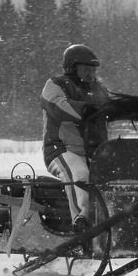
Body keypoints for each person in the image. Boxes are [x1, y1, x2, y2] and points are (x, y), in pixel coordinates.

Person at [41, 43, 111, 232]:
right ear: (72, 68)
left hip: (95, 154)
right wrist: (87, 109)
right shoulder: (55, 85)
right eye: (86, 69)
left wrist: (135, 112)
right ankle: (81, 223)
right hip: (62, 150)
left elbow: (113, 107)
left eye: (93, 70)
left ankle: (112, 223)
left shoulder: (99, 89)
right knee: (80, 176)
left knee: (115, 181)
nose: (91, 74)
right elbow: (57, 105)